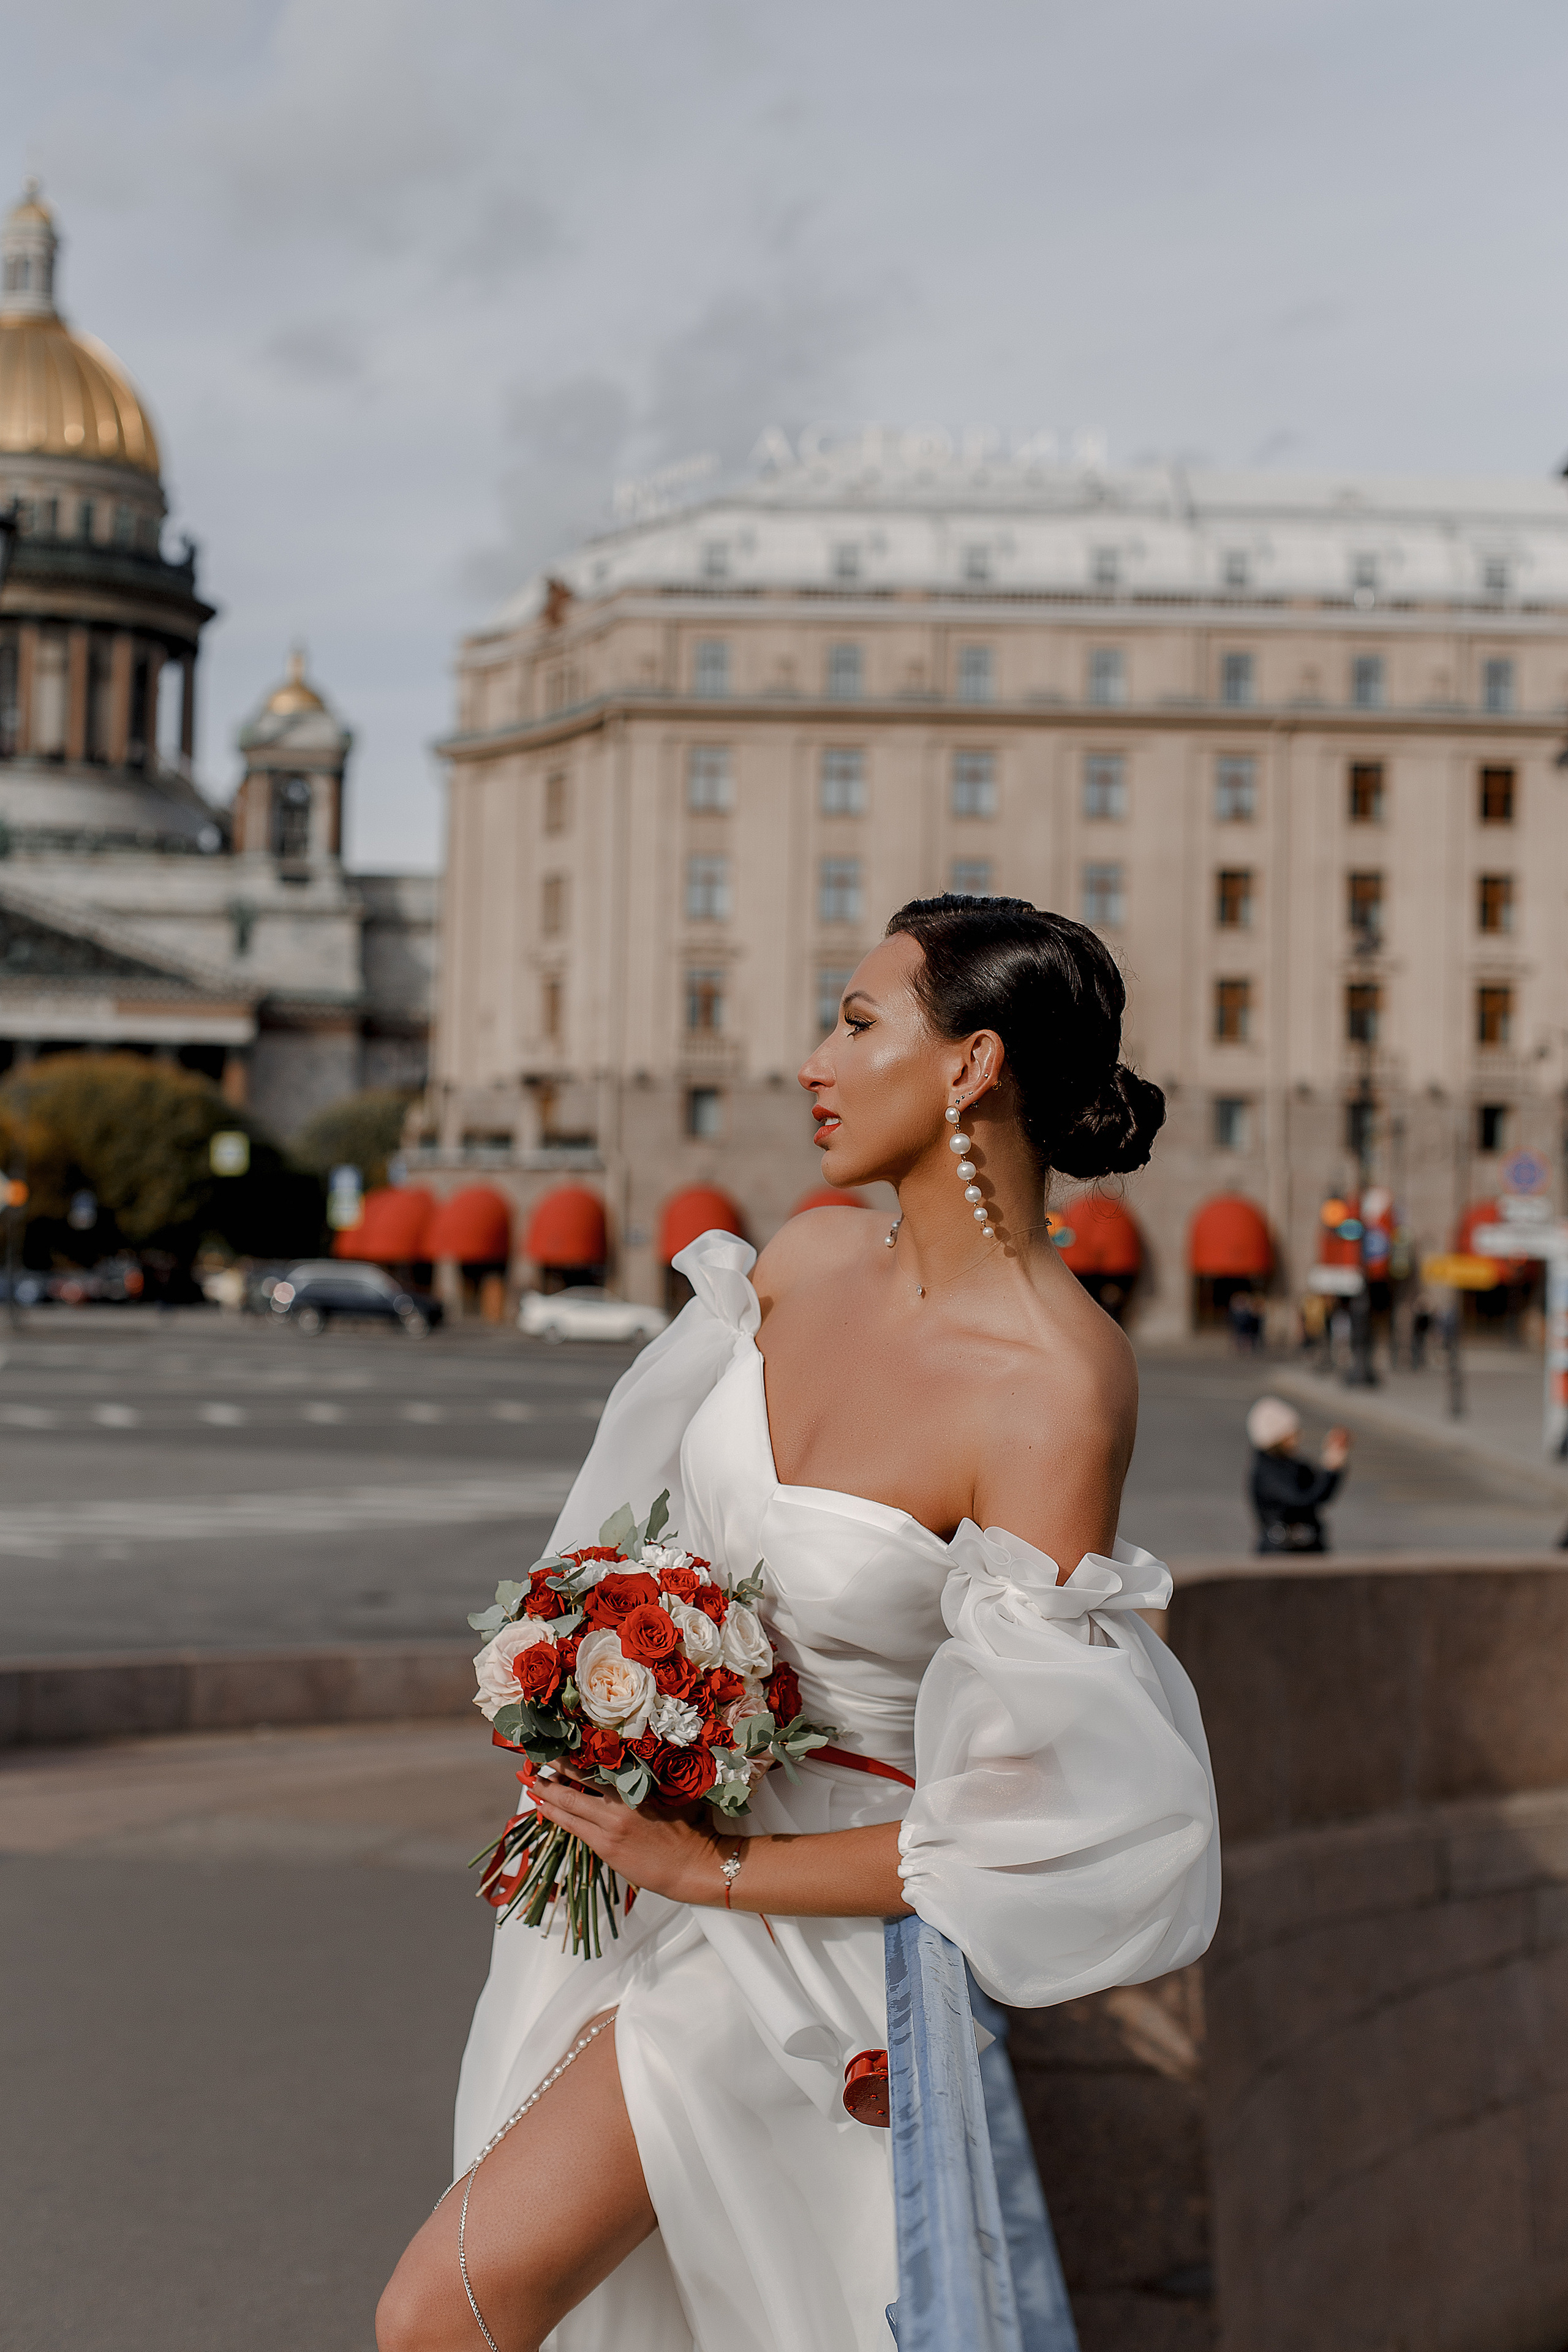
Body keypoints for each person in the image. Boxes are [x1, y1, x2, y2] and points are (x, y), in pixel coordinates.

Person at [377, 895, 1220, 2352]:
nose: (809, 1062)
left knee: (440, 2311)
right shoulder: (807, 1252)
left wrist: (709, 1873)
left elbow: (1028, 1819)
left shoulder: (1053, 1382)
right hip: (641, 1876)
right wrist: (581, 1670)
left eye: (852, 1019)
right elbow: (640, 1511)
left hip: (802, 1943)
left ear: (967, 1065)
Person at [1247, 1396, 1352, 1553]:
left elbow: (1320, 1494)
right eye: (1291, 1433)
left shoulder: (1291, 1464)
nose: (1297, 1437)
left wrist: (1334, 1461)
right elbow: (1304, 1499)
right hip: (1282, 1552)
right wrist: (1330, 1467)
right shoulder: (1269, 1471)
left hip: (1305, 1547)